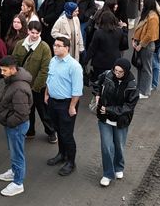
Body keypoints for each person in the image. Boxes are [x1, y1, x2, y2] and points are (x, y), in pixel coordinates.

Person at [92, 58, 139, 186]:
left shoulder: (132, 86)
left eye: (120, 72)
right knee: (106, 146)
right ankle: (108, 173)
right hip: (104, 118)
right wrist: (96, 94)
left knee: (119, 146)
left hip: (120, 121)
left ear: (126, 72)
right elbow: (96, 83)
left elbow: (128, 107)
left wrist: (108, 109)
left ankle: (119, 166)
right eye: (115, 70)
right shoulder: (107, 75)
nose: (116, 73)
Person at [44, 36, 83, 176]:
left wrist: (72, 106)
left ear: (66, 48)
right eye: (54, 45)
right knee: (58, 130)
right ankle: (62, 154)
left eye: (59, 45)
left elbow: (77, 90)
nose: (55, 47)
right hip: (53, 102)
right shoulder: (53, 61)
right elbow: (50, 78)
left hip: (66, 104)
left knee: (67, 134)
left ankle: (71, 162)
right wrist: (47, 94)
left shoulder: (74, 66)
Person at [11, 21, 55, 142]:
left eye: (37, 33)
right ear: (28, 31)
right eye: (32, 32)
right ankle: (30, 131)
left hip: (38, 87)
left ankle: (51, 131)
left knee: (43, 111)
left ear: (40, 33)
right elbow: (14, 63)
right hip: (23, 85)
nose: (34, 35)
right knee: (27, 111)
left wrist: (36, 87)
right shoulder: (20, 45)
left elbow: (45, 70)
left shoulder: (44, 48)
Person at [0, 55, 33, 197]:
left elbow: (22, 114)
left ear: (13, 69)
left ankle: (18, 183)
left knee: (17, 154)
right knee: (14, 151)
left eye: (4, 70)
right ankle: (14, 172)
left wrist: (8, 122)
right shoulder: (13, 80)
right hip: (13, 124)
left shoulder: (19, 88)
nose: (2, 73)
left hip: (16, 126)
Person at [85, 11, 129, 83]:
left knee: (99, 82)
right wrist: (124, 29)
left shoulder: (98, 33)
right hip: (114, 61)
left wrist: (86, 60)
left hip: (99, 62)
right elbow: (123, 46)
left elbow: (92, 48)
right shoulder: (119, 32)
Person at [132, 0, 160, 98]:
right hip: (141, 44)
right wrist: (134, 40)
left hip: (147, 46)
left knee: (146, 68)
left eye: (143, 1)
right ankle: (140, 88)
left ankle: (145, 91)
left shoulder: (153, 17)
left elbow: (150, 34)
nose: (141, 3)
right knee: (141, 67)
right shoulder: (147, 14)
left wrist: (140, 44)